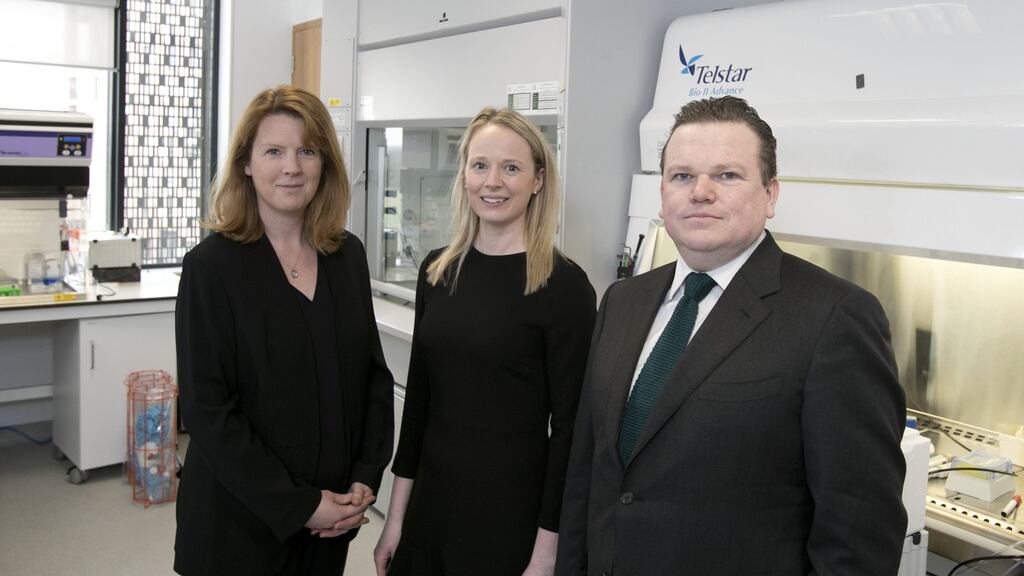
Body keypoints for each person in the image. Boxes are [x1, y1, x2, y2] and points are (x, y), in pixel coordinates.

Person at [555, 96, 907, 576]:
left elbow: (860, 535)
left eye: (727, 175)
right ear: (662, 193)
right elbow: (587, 478)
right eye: (682, 176)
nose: (700, 192)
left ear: (771, 195)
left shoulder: (834, 318)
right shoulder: (622, 301)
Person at [174, 85, 394, 575]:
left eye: (307, 151)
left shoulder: (346, 255)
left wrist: (365, 477)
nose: (291, 167)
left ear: (324, 164)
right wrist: (301, 505)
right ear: (246, 164)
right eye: (274, 151)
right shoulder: (211, 267)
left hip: (330, 522)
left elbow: (373, 379)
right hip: (238, 528)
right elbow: (208, 412)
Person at [373, 107, 597, 576]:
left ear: (538, 180)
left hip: (509, 516)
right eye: (480, 165)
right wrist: (395, 520)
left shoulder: (565, 287)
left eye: (511, 167)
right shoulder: (437, 271)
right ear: (464, 175)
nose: (492, 182)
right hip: (431, 505)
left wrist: (545, 555)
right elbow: (418, 407)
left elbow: (571, 435)